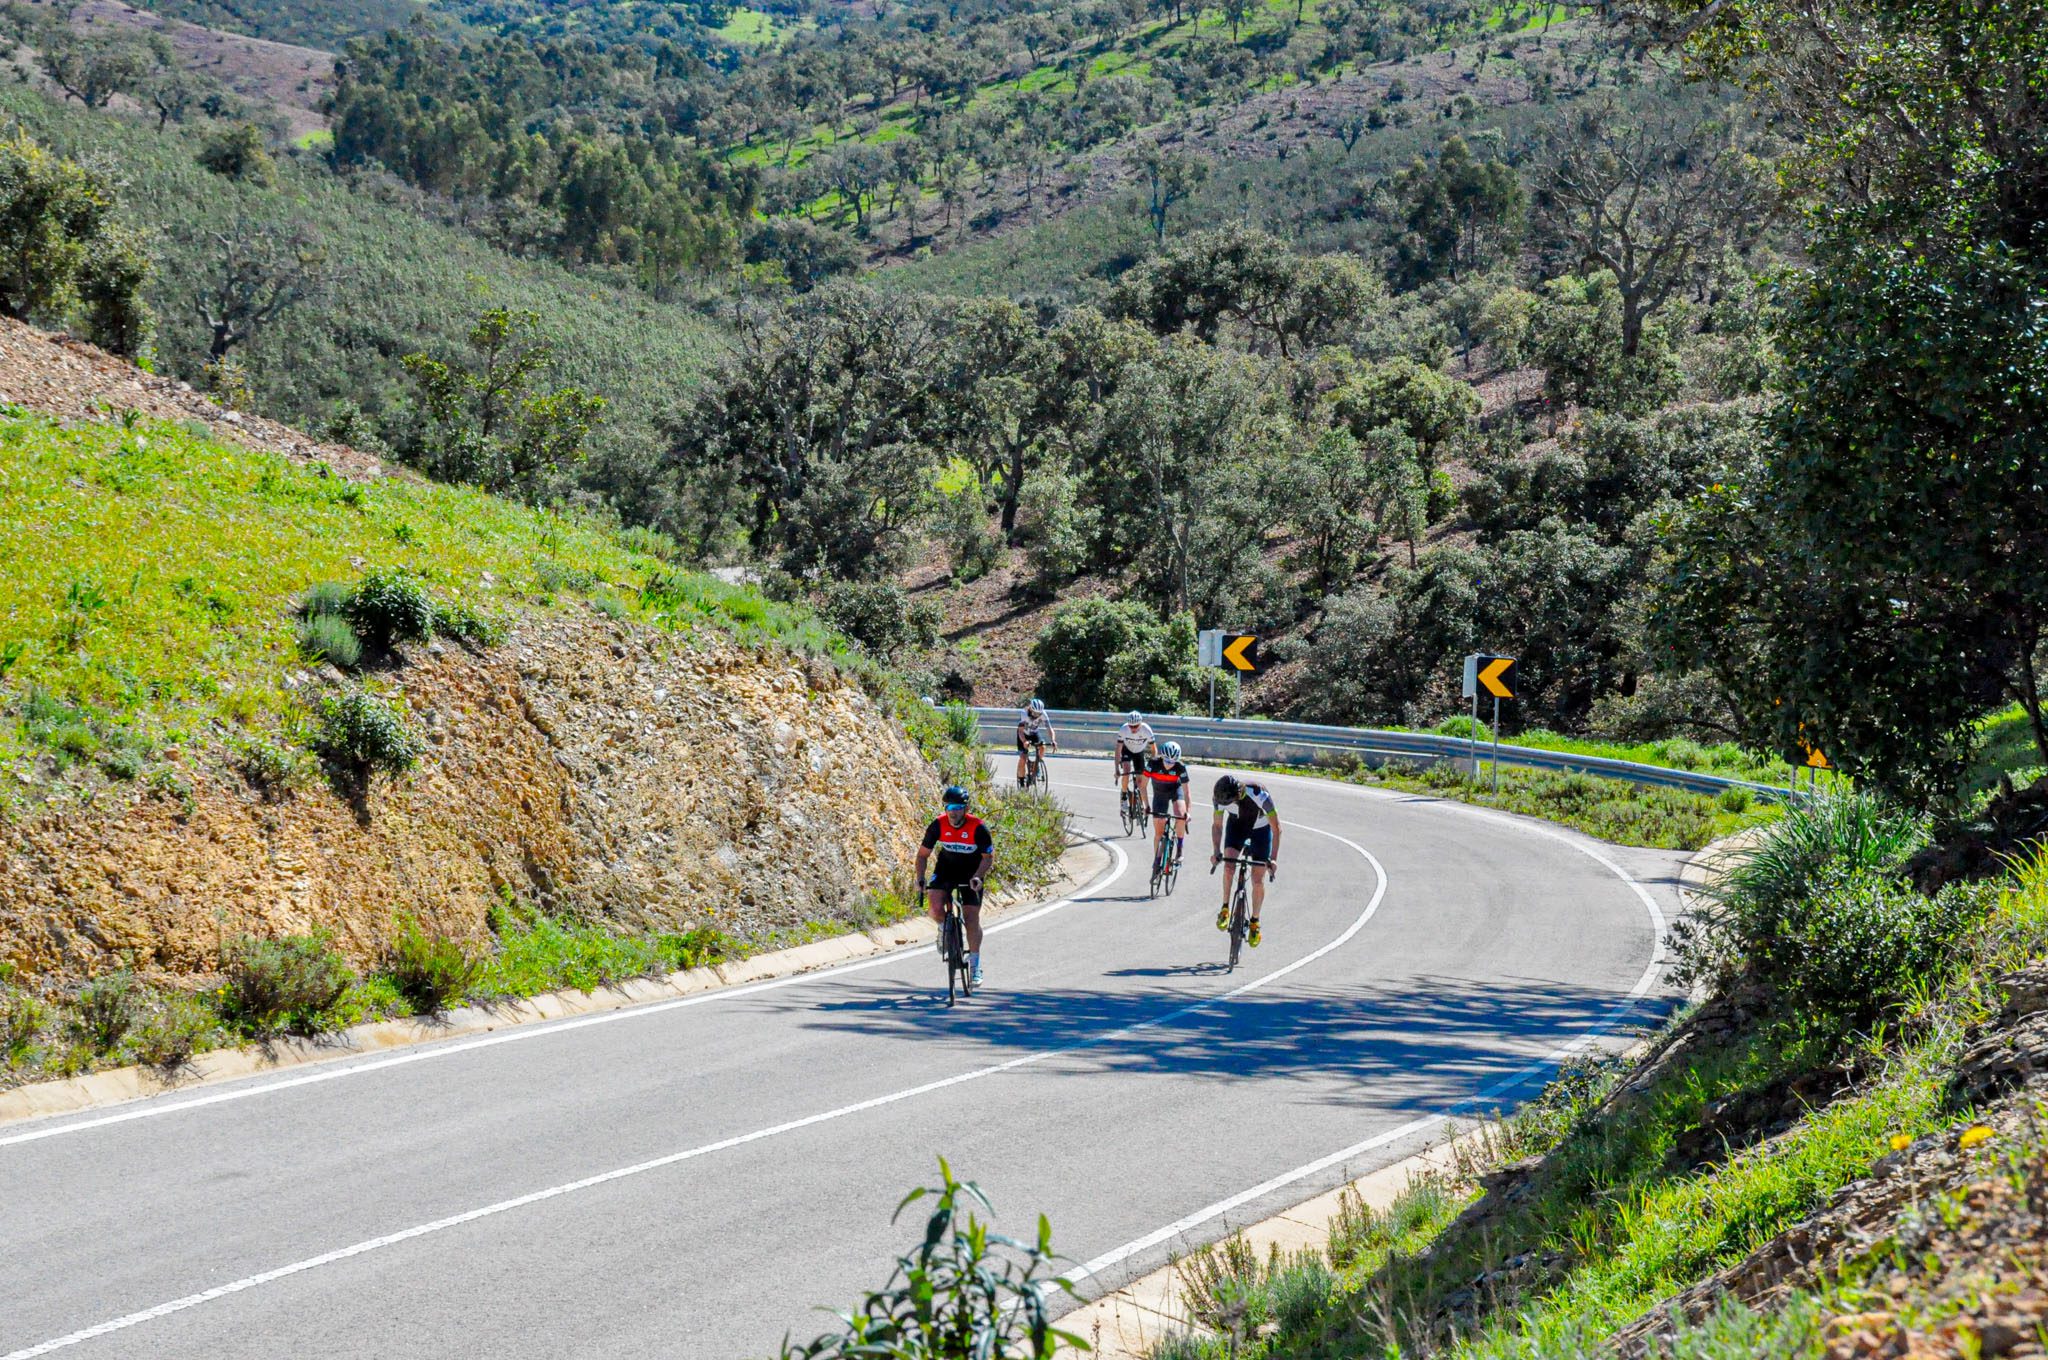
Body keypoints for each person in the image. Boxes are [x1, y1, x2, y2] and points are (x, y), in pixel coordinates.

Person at [916, 784, 994, 986]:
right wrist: (920, 878)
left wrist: (978, 876)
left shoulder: (978, 827)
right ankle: (944, 929)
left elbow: (988, 857)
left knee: (971, 918)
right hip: (946, 868)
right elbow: (923, 855)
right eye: (949, 808)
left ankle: (975, 964)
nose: (953, 812)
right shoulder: (938, 825)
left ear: (966, 808)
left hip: (972, 872)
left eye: (957, 808)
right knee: (934, 907)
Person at [1209, 773, 1280, 948]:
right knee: (1228, 867)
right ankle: (1225, 908)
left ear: (1237, 795)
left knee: (1257, 879)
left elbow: (1277, 829)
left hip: (1261, 831)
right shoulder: (1219, 797)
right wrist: (1216, 851)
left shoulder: (1259, 794)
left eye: (1229, 803)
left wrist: (1273, 859)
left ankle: (1255, 922)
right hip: (1237, 827)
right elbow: (1217, 825)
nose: (1226, 806)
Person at [1144, 739, 1190, 875]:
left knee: (1181, 815)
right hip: (1160, 794)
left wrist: (1188, 812)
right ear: (1161, 757)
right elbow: (1142, 785)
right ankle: (1157, 860)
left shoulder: (1180, 767)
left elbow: (1187, 792)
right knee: (1159, 831)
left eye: (1172, 762)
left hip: (1175, 791)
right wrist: (1146, 806)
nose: (1170, 765)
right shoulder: (1153, 764)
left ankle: (1180, 847)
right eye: (1167, 761)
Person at [1113, 711, 1156, 802]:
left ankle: (1138, 800)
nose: (1133, 729)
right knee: (1126, 771)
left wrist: (1153, 766)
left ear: (1140, 723)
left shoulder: (1147, 730)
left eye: (1135, 726)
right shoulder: (1124, 729)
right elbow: (1118, 749)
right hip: (1127, 750)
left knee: (1140, 782)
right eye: (1130, 726)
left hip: (1139, 752)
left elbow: (1153, 749)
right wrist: (1116, 768)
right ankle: (1124, 796)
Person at [1015, 698, 1057, 787]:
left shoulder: (1043, 714)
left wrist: (1053, 740)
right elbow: (1020, 731)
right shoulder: (1024, 713)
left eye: (1038, 714)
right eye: (1034, 713)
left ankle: (1036, 766)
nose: (1036, 716)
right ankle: (1021, 781)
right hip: (1023, 734)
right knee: (1023, 758)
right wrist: (1024, 741)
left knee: (1043, 746)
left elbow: (1050, 729)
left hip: (1034, 733)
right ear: (1030, 709)